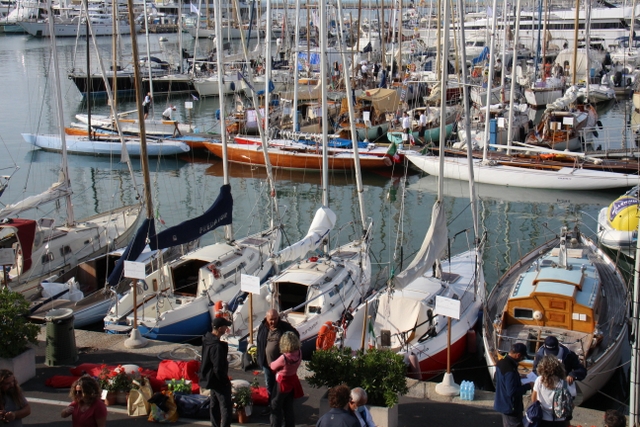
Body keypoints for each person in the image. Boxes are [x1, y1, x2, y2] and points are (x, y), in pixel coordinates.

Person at [256, 309, 299, 415]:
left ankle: (281, 409)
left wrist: (289, 350)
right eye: (271, 319)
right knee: (269, 385)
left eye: (275, 319)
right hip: (267, 364)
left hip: (280, 366)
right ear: (266, 318)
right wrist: (259, 357)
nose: (273, 321)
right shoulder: (263, 327)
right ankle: (271, 406)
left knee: (280, 388)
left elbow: (296, 335)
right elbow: (259, 342)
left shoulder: (284, 327)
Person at [200, 317, 233, 427]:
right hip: (219, 380)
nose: (226, 328)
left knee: (214, 405)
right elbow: (218, 368)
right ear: (219, 329)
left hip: (210, 378)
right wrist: (225, 381)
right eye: (225, 326)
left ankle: (215, 425)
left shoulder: (207, 339)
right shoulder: (217, 346)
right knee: (226, 407)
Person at [494, 343, 533, 427]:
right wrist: (528, 386)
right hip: (511, 407)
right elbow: (512, 392)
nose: (522, 359)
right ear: (518, 355)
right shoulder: (510, 370)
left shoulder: (501, 363)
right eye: (522, 357)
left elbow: (497, 379)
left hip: (503, 403)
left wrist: (517, 377)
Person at [531, 356, 577, 427]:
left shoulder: (539, 380)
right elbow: (571, 405)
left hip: (543, 418)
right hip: (561, 420)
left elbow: (534, 399)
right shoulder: (564, 383)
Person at [269, 331, 303, 427]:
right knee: (288, 408)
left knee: (275, 406)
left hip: (282, 383)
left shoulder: (284, 357)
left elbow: (272, 366)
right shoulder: (299, 353)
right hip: (292, 381)